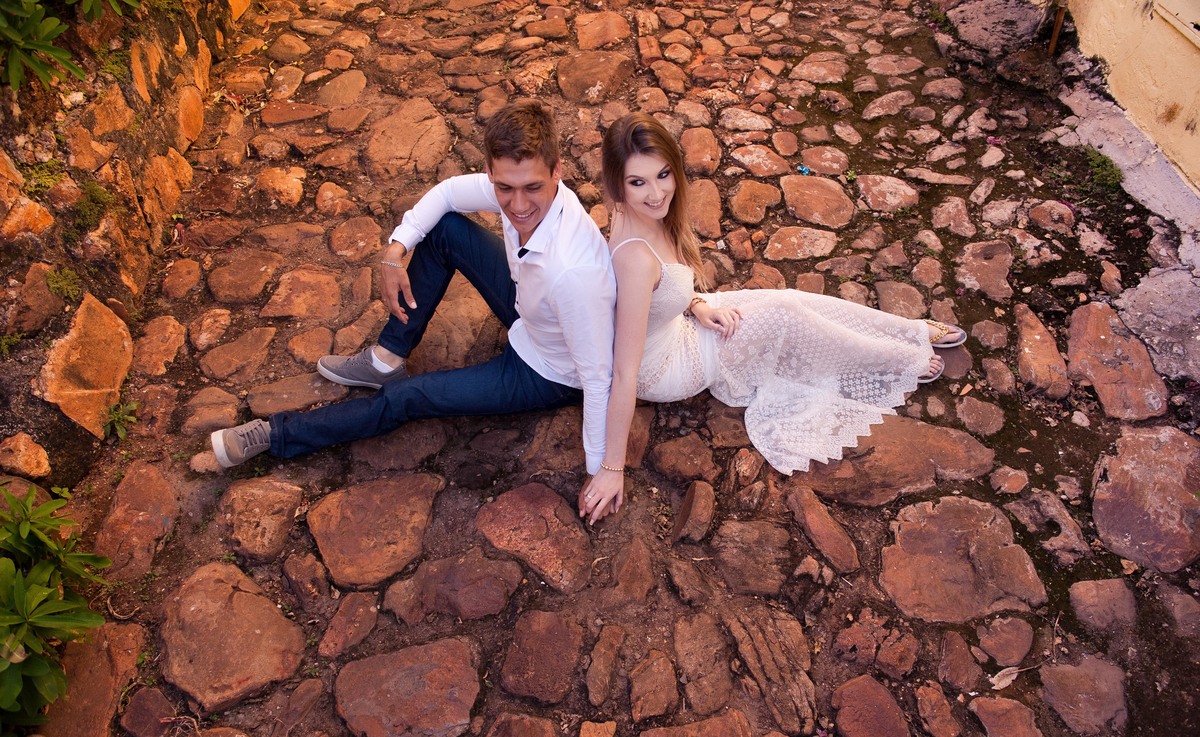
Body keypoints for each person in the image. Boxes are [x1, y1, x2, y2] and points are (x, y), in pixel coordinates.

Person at [578, 113, 965, 523]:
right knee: (786, 315)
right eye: (638, 182)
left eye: (662, 175)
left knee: (789, 300)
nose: (656, 193)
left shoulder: (642, 214)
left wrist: (697, 305)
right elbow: (624, 372)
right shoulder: (635, 256)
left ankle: (909, 330)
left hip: (684, 321)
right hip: (670, 366)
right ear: (618, 183)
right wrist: (610, 467)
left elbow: (663, 293)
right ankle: (896, 359)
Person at [211, 100, 617, 478]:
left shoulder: (573, 271)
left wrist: (601, 472)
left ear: (557, 171)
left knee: (409, 397)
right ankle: (386, 358)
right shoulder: (523, 193)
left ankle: (276, 434)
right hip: (530, 305)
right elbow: (447, 193)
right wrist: (395, 251)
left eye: (531, 187)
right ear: (492, 173)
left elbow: (597, 378)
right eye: (504, 188)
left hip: (546, 369)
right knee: (445, 229)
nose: (518, 204)